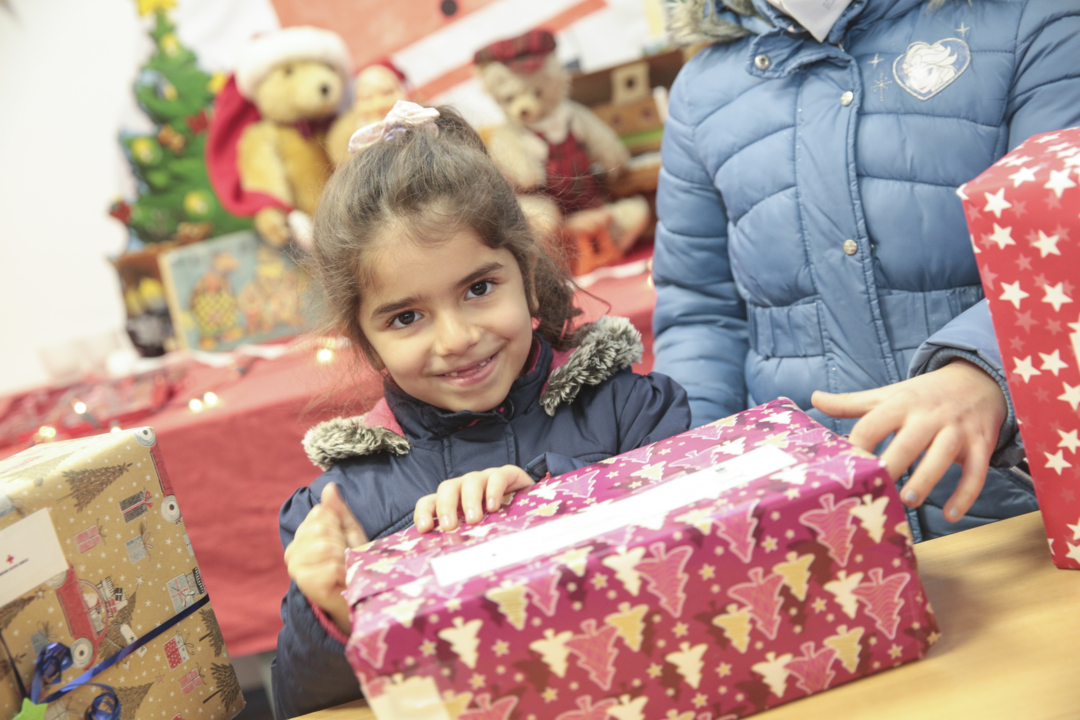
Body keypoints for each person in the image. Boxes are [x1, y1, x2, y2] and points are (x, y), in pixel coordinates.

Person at [271, 102, 690, 718]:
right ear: (366, 340)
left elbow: (702, 565)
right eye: (406, 317)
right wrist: (330, 610)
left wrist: (548, 502)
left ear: (527, 275)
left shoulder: (631, 413)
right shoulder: (345, 506)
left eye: (478, 288)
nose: (457, 338)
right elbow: (303, 704)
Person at [653, 0, 1080, 542]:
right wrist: (688, 468)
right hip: (819, 530)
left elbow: (1065, 242)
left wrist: (985, 370)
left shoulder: (1035, 21)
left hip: (1027, 505)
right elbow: (701, 312)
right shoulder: (702, 92)